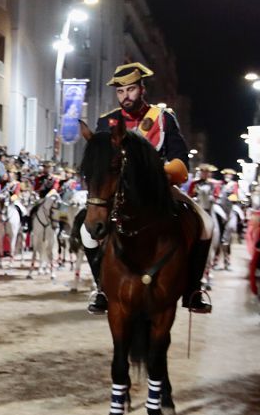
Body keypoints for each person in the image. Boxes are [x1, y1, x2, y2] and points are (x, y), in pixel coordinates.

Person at [84, 62, 212, 315]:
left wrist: (160, 173)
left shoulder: (163, 118)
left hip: (159, 188)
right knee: (86, 231)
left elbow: (179, 158)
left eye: (130, 90)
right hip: (118, 192)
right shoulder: (106, 122)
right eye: (120, 92)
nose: (125, 97)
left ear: (142, 89)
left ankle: (192, 290)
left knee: (206, 224)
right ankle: (101, 287)